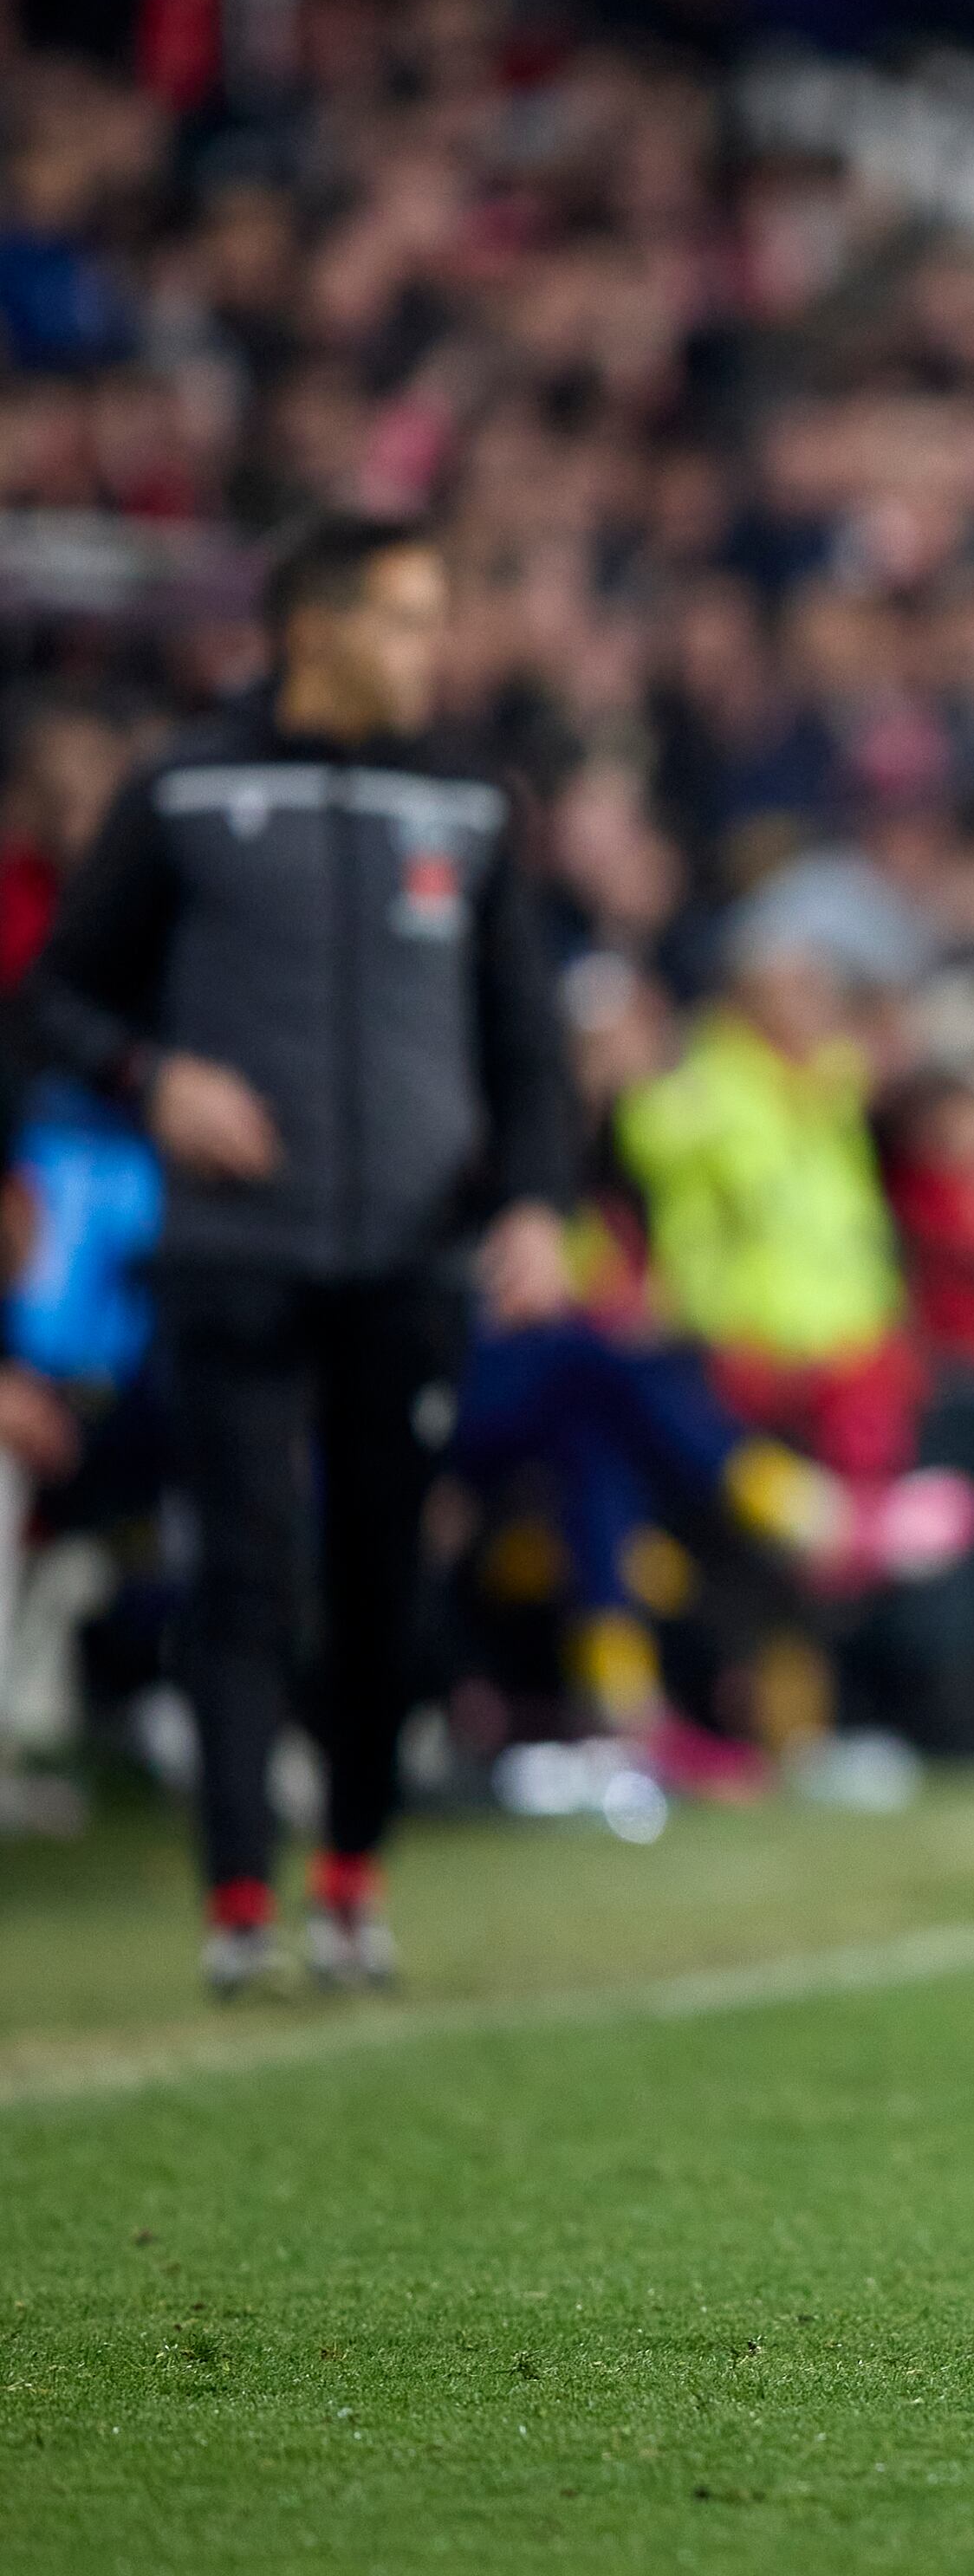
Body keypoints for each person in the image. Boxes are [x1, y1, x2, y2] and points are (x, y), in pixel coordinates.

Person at [22, 512, 575, 1996]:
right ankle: (236, 1900)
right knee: (245, 1568)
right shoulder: (188, 787)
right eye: (405, 619)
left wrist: (536, 1200)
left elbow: (525, 1038)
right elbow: (56, 998)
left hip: (410, 1258)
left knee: (384, 1576)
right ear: (316, 625)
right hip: (238, 1253)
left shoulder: (466, 802)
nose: (431, 650)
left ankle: (353, 1881)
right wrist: (156, 1080)